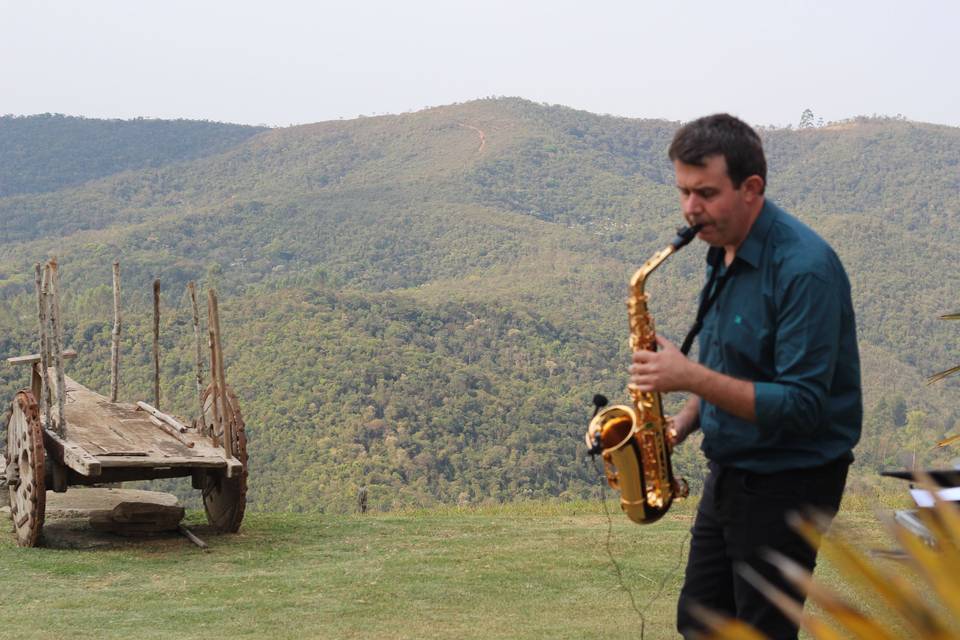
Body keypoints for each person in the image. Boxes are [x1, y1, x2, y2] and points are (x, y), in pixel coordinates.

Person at [628, 114, 862, 640]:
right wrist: (681, 423)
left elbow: (802, 405)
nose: (691, 209)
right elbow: (729, 363)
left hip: (789, 481)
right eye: (684, 192)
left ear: (751, 187)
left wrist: (688, 378)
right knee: (701, 623)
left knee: (760, 632)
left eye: (706, 192)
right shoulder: (720, 247)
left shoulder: (805, 269)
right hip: (733, 470)